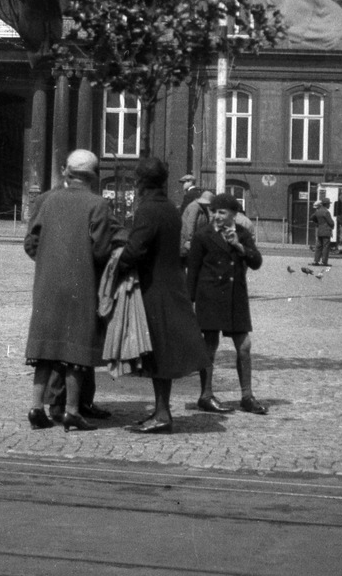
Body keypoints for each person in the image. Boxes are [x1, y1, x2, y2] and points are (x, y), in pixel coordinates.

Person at [23, 149, 122, 431]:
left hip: (47, 284)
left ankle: (36, 408)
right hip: (82, 283)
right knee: (76, 350)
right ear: (94, 176)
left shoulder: (47, 200)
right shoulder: (97, 204)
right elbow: (101, 249)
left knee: (44, 346)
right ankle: (71, 411)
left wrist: (49, 260)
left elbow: (32, 242)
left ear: (67, 172)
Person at [117, 156, 212, 434]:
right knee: (163, 352)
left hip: (155, 289)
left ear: (141, 182)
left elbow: (136, 250)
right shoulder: (169, 207)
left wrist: (116, 265)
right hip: (172, 285)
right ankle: (162, 411)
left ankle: (162, 414)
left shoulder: (147, 209)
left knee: (159, 353)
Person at [187, 193, 268, 414]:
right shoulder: (202, 236)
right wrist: (190, 302)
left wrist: (239, 246)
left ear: (233, 214)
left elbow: (257, 262)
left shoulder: (242, 234)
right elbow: (192, 271)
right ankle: (205, 395)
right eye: (214, 211)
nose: (217, 216)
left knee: (244, 347)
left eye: (222, 212)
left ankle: (247, 396)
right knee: (210, 347)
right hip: (210, 297)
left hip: (235, 298)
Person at [310, 197, 336, 267]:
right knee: (326, 246)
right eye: (329, 204)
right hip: (326, 231)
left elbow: (312, 217)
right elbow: (330, 222)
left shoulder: (317, 211)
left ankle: (316, 261)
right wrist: (333, 225)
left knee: (318, 246)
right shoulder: (326, 212)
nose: (329, 205)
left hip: (320, 230)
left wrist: (317, 222)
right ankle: (324, 262)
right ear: (326, 204)